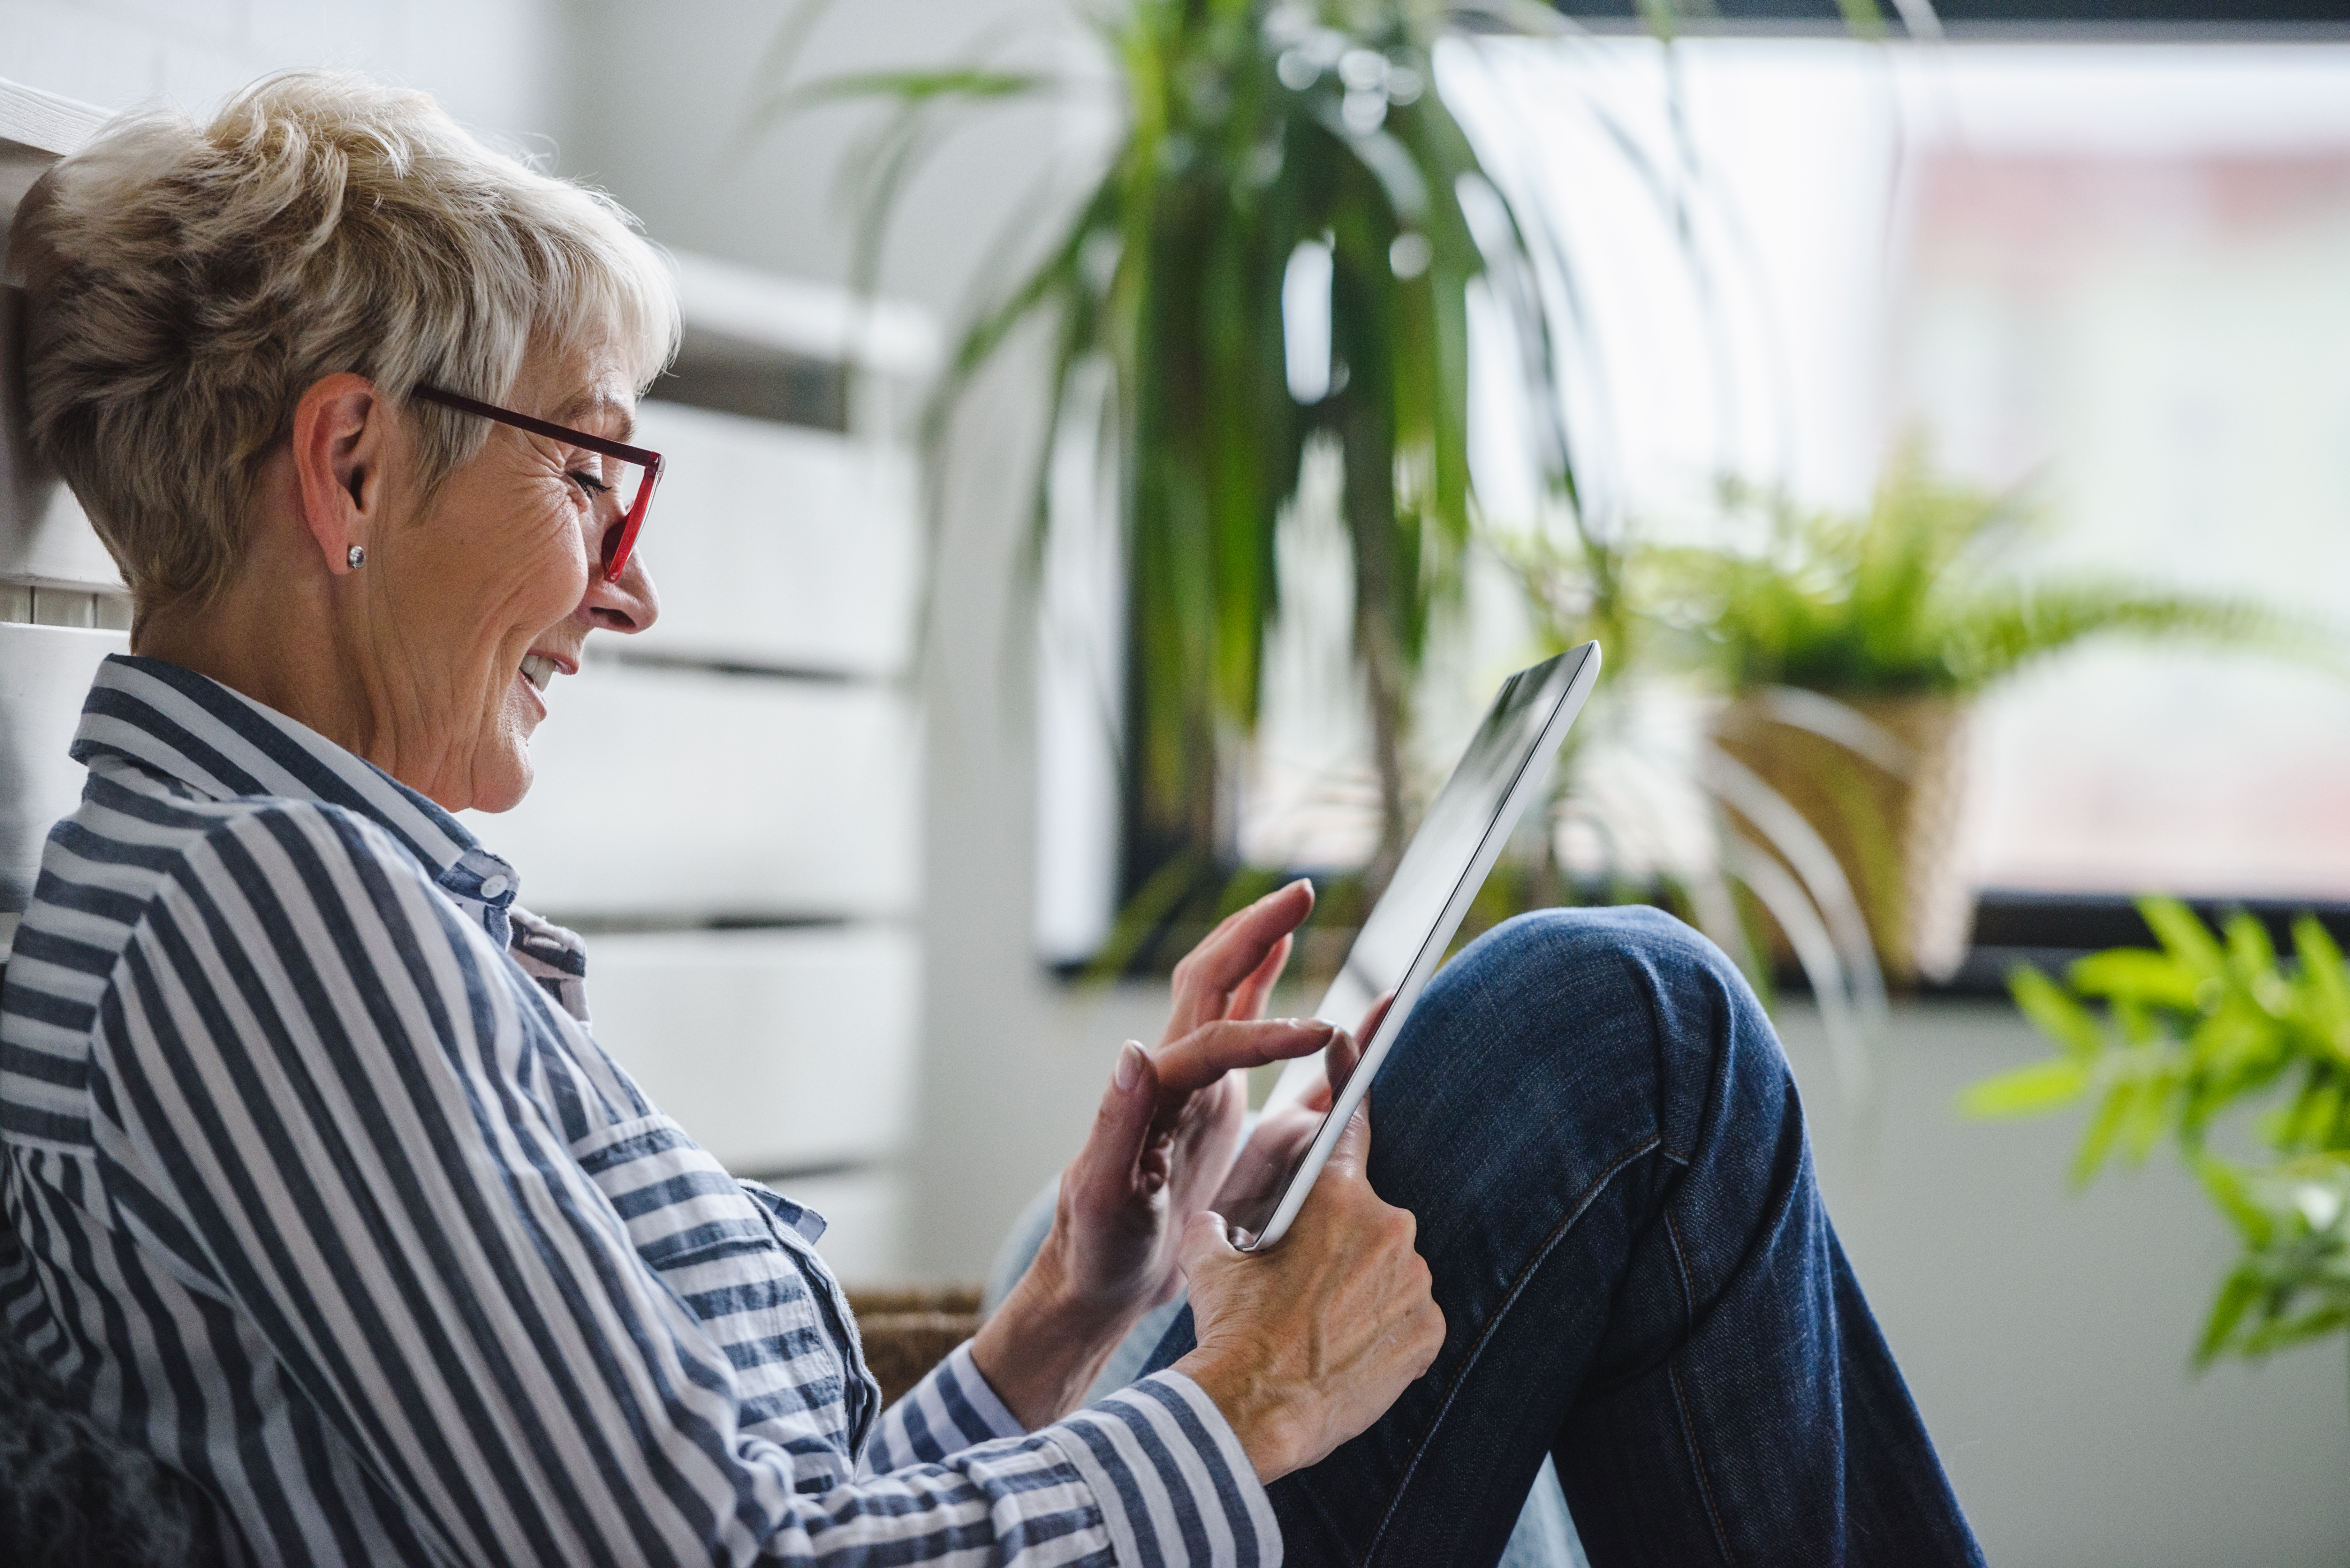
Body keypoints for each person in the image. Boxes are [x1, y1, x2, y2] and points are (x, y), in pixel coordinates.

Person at [0, 72, 1984, 1567]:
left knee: (1424, 1118)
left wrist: (1070, 1314)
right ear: (350, 464)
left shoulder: (297, 898)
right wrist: (1250, 1394)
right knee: (1623, 1030)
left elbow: (735, 1505)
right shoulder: (263, 916)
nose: (632, 583)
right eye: (598, 473)